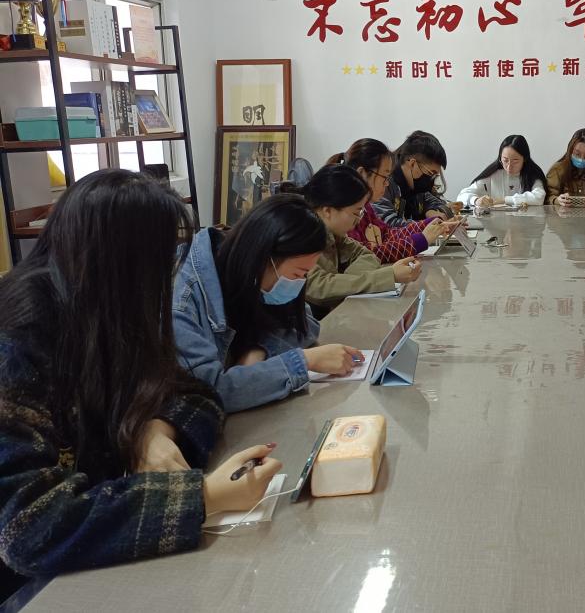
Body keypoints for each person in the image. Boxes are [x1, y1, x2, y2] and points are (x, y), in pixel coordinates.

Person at [0, 170, 281, 599]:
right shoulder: (17, 342)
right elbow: (28, 529)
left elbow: (194, 391)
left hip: (93, 542)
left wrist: (153, 430)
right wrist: (204, 497)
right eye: (159, 260)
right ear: (119, 260)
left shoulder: (103, 309)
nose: (167, 276)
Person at [174, 194, 364, 413]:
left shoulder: (252, 276)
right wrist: (302, 361)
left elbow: (305, 325)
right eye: (297, 274)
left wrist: (259, 349)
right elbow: (209, 393)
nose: (300, 283)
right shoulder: (185, 299)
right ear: (264, 258)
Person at [282, 164, 421, 316]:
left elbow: (366, 255)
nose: (358, 220)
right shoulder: (299, 234)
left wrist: (345, 282)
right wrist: (388, 276)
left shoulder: (332, 233)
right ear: (327, 210)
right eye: (356, 213)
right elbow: (318, 288)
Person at [334, 140, 449, 263]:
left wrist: (431, 223)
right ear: (362, 174)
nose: (387, 183)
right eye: (385, 177)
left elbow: (387, 234)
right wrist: (421, 240)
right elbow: (369, 255)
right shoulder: (344, 212)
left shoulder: (366, 207)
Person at [374, 130, 453, 226]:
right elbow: (388, 225)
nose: (431, 179)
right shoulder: (384, 183)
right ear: (412, 164)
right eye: (430, 173)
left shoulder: (417, 189)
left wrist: (430, 211)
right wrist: (428, 224)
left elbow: (438, 203)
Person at [457, 135, 547, 208]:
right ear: (500, 157)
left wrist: (504, 200)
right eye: (505, 160)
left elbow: (539, 197)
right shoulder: (493, 174)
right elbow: (462, 196)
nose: (509, 166)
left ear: (525, 159)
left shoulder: (532, 174)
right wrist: (476, 200)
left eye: (515, 161)